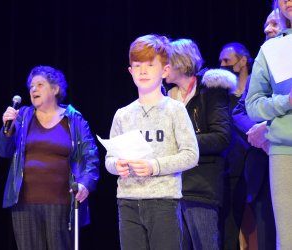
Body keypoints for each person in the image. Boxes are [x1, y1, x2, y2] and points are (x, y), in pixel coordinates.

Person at [105, 34, 199, 250]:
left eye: (150, 64)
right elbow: (110, 159)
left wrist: (153, 167)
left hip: (163, 200)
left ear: (165, 70)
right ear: (130, 71)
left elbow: (191, 154)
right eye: (137, 65)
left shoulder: (175, 110)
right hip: (128, 200)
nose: (143, 71)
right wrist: (116, 165)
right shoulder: (123, 114)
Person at [0, 65, 99, 250]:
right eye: (31, 86)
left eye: (40, 84)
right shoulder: (21, 117)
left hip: (61, 204)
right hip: (23, 203)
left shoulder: (74, 119)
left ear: (55, 89)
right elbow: (3, 151)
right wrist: (7, 129)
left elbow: (90, 157)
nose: (33, 89)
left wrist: (85, 183)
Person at [164, 38, 234, 249]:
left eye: (166, 62)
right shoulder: (167, 97)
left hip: (201, 187)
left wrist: (182, 143)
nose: (162, 68)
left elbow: (221, 138)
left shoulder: (210, 91)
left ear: (180, 62)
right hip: (172, 189)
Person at [232, 9, 285, 249]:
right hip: (264, 162)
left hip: (283, 145)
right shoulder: (262, 68)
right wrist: (261, 133)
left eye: (274, 23)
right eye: (265, 24)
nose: (267, 29)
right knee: (267, 234)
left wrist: (268, 126)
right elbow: (241, 111)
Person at [246, 0, 292, 248]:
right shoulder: (272, 49)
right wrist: (286, 101)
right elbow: (253, 104)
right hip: (285, 151)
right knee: (288, 239)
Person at [218, 42, 253, 250]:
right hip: (230, 170)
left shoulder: (255, 91)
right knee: (228, 230)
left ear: (242, 61)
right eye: (220, 61)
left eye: (227, 61)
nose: (222, 65)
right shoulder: (222, 95)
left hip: (255, 167)